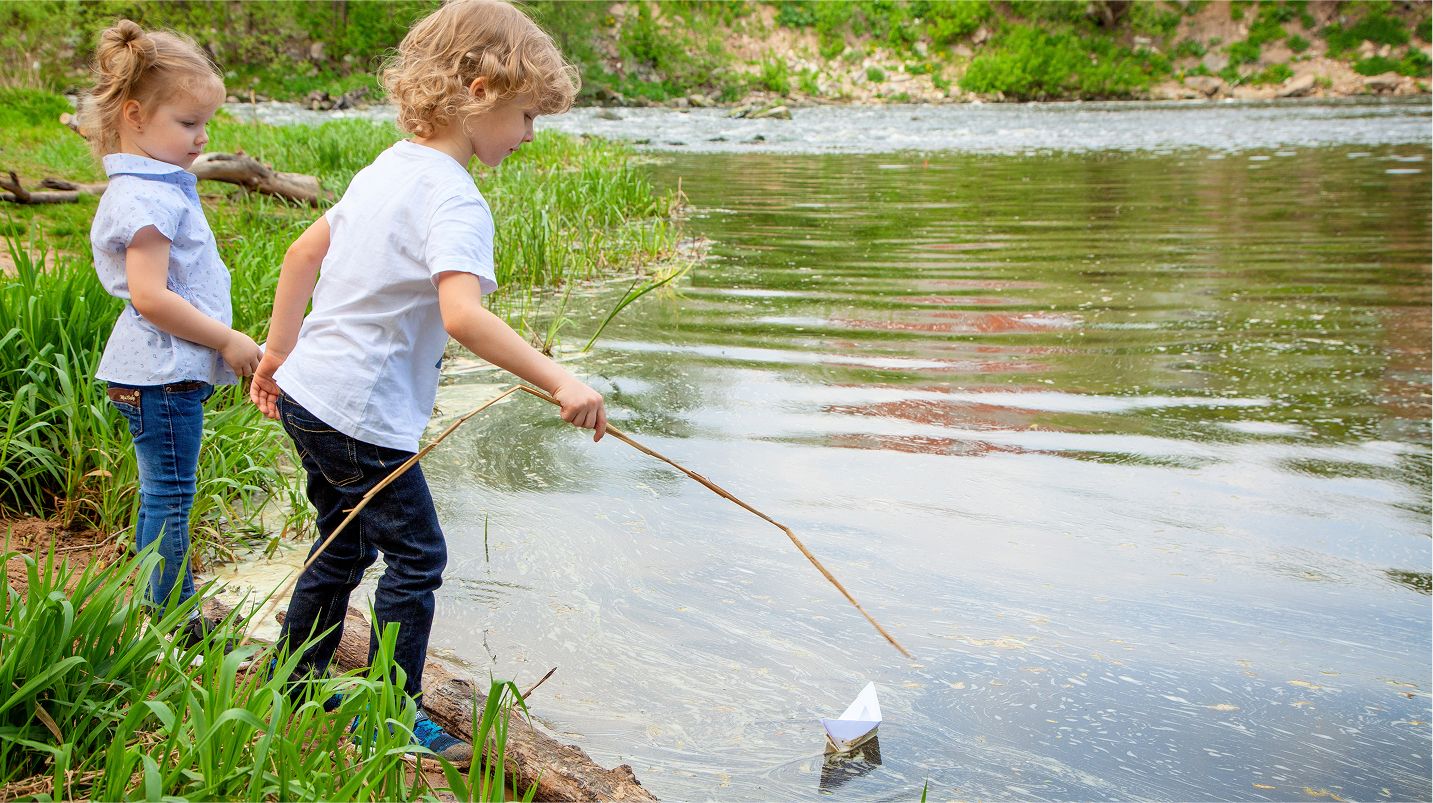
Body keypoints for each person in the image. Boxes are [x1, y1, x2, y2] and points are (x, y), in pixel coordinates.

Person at [249, 0, 606, 767]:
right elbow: (463, 316)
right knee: (417, 558)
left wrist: (277, 355)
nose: (529, 136)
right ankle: (387, 713)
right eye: (527, 116)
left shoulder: (388, 165)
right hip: (359, 413)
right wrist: (559, 380)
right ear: (478, 91)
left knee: (340, 544)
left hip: (311, 393)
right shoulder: (453, 194)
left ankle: (294, 679)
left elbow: (300, 255)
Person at [82, 19, 261, 642]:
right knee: (170, 496)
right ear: (134, 114)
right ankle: (169, 620)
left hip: (158, 373)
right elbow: (152, 297)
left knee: (168, 493)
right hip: (160, 373)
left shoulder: (152, 184)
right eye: (187, 123)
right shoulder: (147, 198)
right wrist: (226, 339)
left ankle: (172, 604)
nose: (201, 137)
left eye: (204, 123)